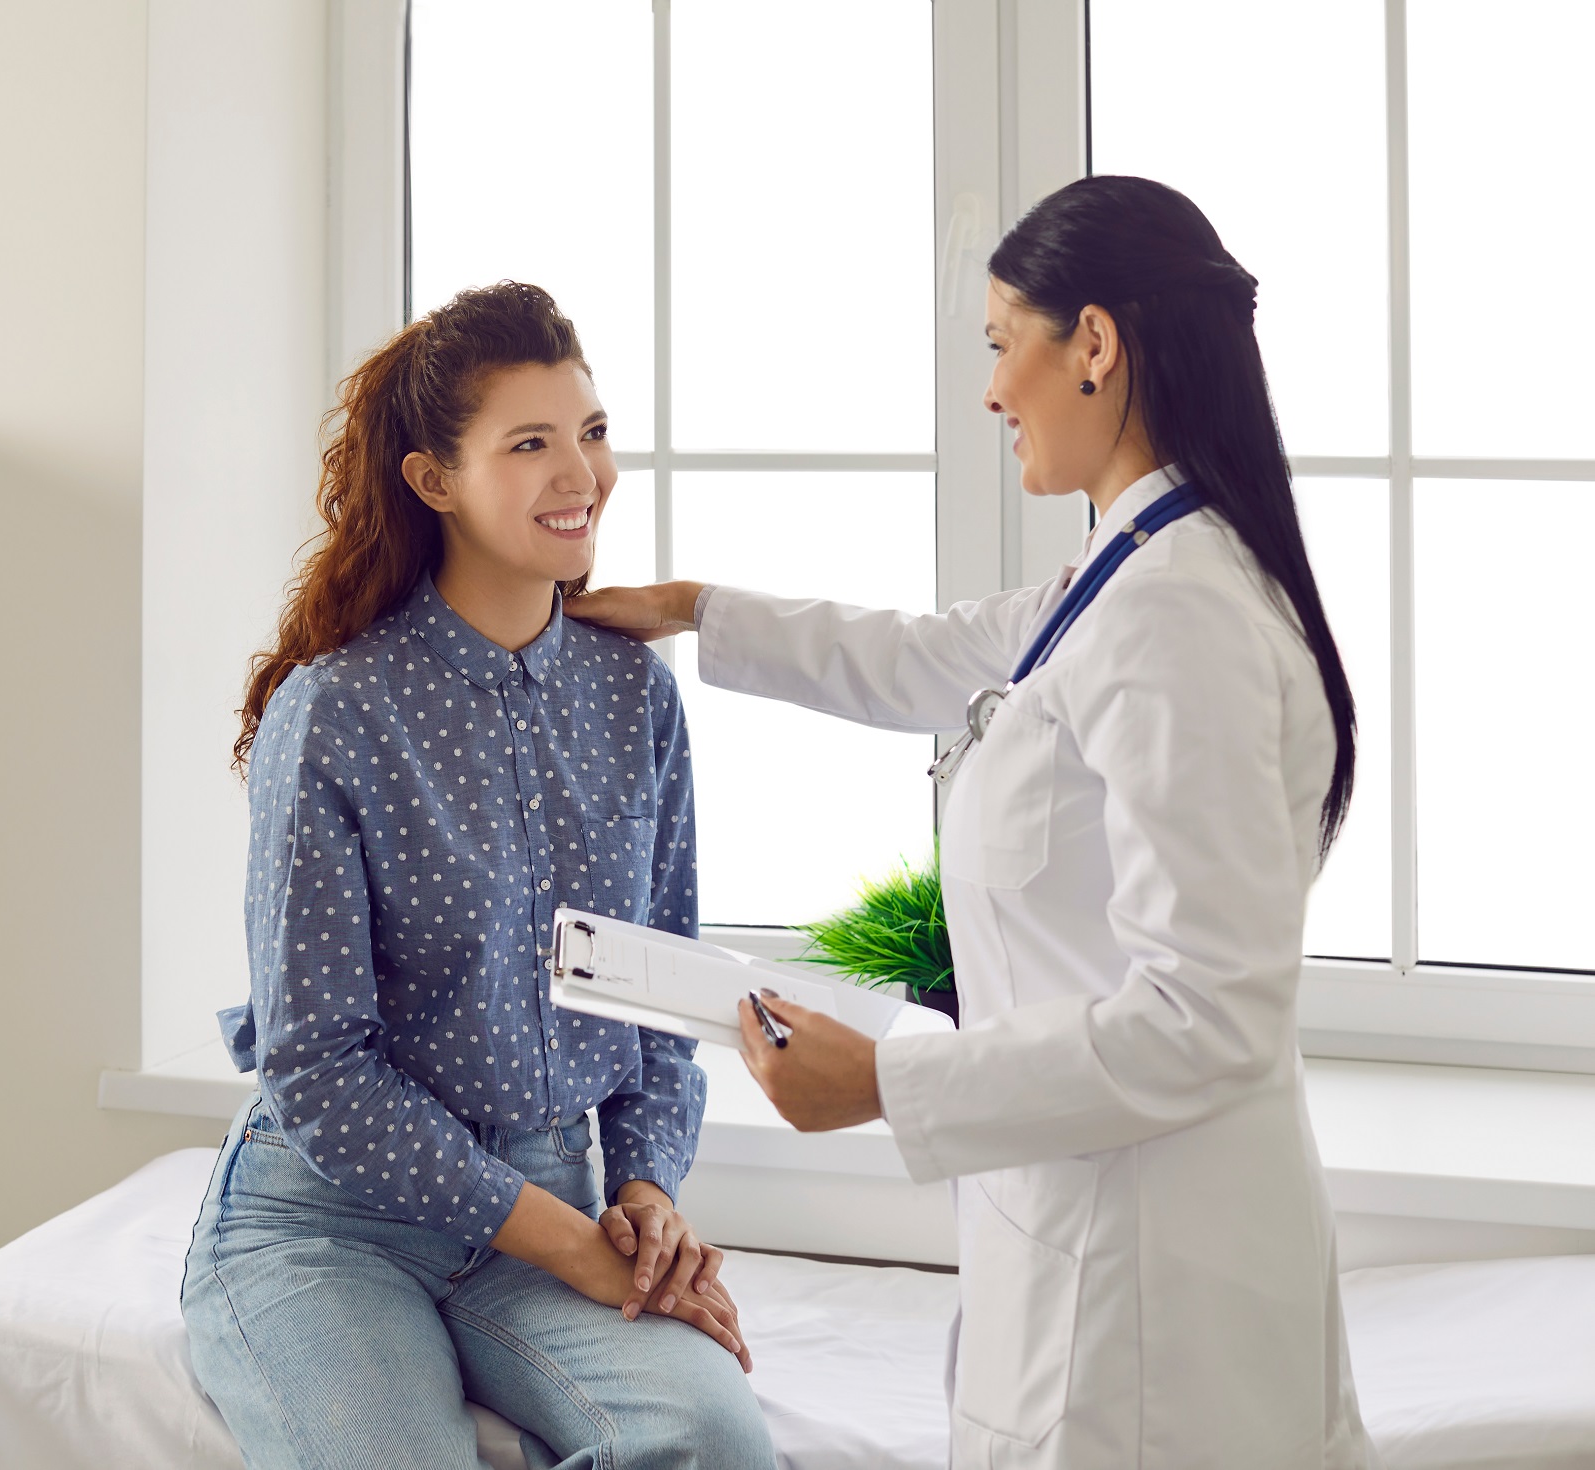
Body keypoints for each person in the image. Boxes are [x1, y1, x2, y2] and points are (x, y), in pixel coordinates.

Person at [569, 176, 1379, 1468]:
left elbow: (1208, 1015)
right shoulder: (1127, 566)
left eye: (1005, 344)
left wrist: (885, 1080)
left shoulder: (1180, 613)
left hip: (1151, 1299)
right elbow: (924, 656)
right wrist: (691, 608)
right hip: (1097, 1233)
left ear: (1095, 346)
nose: (992, 390)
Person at [182, 281, 775, 1470]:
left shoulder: (632, 695)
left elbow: (663, 987)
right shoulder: (337, 712)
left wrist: (648, 1191)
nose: (582, 474)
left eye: (592, 434)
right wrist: (566, 1241)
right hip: (330, 1226)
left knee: (711, 1439)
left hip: (551, 1202)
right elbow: (318, 1068)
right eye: (531, 444)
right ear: (432, 480)